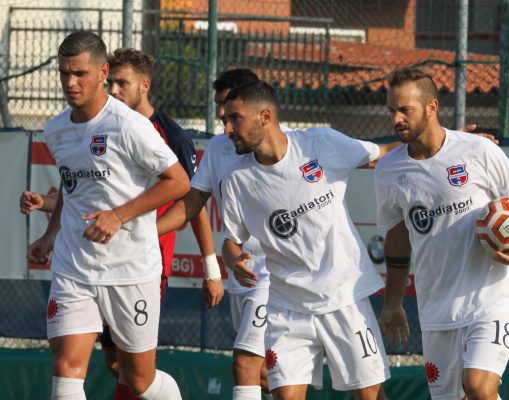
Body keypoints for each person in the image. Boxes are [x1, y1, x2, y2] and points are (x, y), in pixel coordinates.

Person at [22, 47, 225, 400]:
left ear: (100, 72)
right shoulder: (55, 129)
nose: (70, 82)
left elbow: (183, 189)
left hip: (132, 268)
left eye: (80, 74)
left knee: (137, 379)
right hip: (75, 268)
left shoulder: (137, 127)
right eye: (64, 73)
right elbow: (75, 187)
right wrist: (50, 234)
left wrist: (120, 216)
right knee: (67, 370)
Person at [218, 79, 398, 400]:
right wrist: (234, 261)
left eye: (235, 119)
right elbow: (231, 240)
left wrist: (453, 143)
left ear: (265, 116)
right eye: (225, 121)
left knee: (369, 396)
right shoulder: (236, 179)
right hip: (286, 307)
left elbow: (383, 156)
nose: (228, 128)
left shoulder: (321, 144)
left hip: (343, 297)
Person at [374, 67, 509, 400]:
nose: (396, 118)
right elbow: (397, 240)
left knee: (479, 387)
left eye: (404, 110)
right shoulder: (388, 170)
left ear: (431, 107)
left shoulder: (477, 151)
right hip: (436, 310)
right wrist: (393, 302)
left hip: (490, 301)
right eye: (391, 110)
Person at [157, 68, 278, 400]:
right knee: (269, 374)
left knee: (244, 365)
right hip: (241, 274)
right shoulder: (218, 149)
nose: (225, 122)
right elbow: (192, 204)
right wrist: (141, 231)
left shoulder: (291, 145)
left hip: (275, 278)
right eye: (220, 110)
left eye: (231, 111)